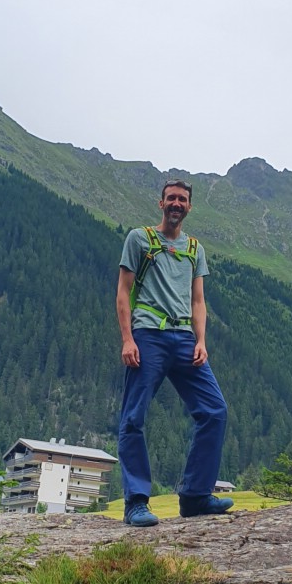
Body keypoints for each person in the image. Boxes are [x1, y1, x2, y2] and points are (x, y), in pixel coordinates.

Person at [116, 179, 232, 528]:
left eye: (182, 199)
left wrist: (201, 341)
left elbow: (198, 300)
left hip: (184, 338)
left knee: (214, 411)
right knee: (133, 417)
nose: (176, 203)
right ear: (161, 203)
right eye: (171, 198)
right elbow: (123, 292)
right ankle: (136, 503)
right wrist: (127, 339)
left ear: (189, 207)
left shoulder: (195, 249)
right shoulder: (139, 239)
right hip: (147, 336)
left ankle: (195, 496)